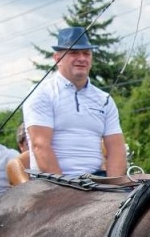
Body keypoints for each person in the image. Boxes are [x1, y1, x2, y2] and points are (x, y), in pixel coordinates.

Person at [24, 26, 127, 179]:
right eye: (73, 53)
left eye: (86, 53)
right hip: (52, 183)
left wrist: (115, 185)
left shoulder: (104, 100)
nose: (81, 58)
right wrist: (63, 188)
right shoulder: (42, 93)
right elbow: (40, 145)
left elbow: (116, 148)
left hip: (96, 180)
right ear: (57, 58)